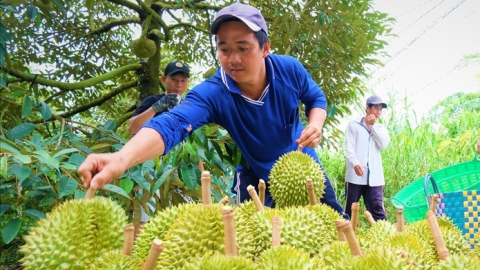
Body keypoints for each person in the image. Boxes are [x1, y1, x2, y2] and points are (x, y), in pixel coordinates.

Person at [78, 3, 348, 219]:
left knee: (334, 223)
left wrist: (316, 124)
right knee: (254, 238)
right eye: (224, 49)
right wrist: (122, 158)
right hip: (255, 172)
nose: (233, 59)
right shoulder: (213, 92)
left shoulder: (289, 69)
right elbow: (172, 124)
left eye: (243, 48)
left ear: (265, 48)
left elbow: (316, 98)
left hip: (303, 164)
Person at [128, 61, 203, 235]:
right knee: (145, 216)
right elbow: (132, 128)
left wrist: (202, 179)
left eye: (183, 80)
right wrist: (157, 107)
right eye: (174, 79)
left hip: (181, 169)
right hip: (151, 167)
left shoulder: (190, 108)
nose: (178, 84)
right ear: (163, 79)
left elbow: (194, 147)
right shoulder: (152, 101)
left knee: (184, 219)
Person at [344, 95, 391, 221]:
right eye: (376, 107)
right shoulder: (353, 126)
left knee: (378, 211)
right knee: (350, 210)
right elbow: (349, 149)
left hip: (375, 178)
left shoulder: (381, 129)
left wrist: (373, 126)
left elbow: (383, 145)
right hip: (356, 176)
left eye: (381, 109)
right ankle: (345, 237)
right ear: (367, 108)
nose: (378, 112)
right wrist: (355, 163)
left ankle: (386, 238)